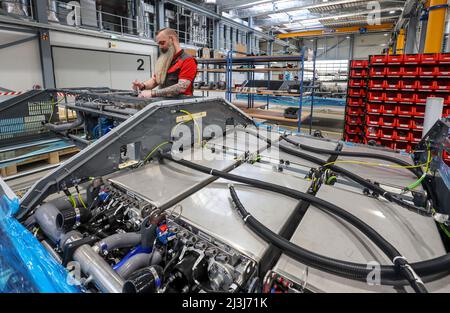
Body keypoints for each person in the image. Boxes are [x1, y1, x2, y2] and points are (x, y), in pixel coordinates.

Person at [132, 28, 197, 98]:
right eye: (159, 44)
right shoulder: (166, 60)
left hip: (182, 105)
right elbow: (156, 80)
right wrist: (142, 85)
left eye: (162, 43)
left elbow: (181, 87)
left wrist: (153, 93)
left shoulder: (187, 60)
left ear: (172, 39)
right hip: (165, 104)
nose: (160, 47)